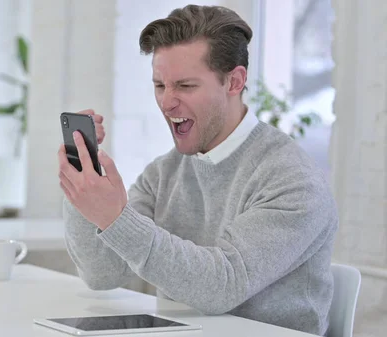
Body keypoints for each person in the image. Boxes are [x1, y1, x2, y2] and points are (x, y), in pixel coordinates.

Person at [57, 4, 337, 336]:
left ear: (234, 82)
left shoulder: (293, 181)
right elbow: (102, 273)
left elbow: (222, 286)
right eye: (160, 85)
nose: (166, 102)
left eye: (185, 86)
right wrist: (84, 189)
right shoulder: (164, 173)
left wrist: (116, 219)